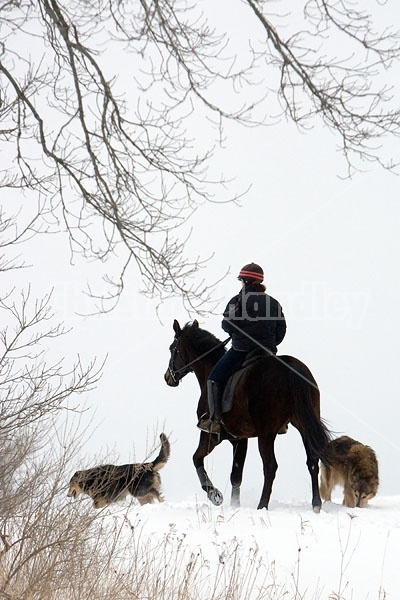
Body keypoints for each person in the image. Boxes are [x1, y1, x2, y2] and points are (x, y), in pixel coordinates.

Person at [197, 262, 286, 434]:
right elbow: (281, 330)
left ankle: (214, 420)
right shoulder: (274, 303)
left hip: (241, 350)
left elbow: (226, 324)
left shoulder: (237, 300)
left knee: (214, 378)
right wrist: (270, 344)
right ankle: (282, 422)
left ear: (245, 281)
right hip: (267, 352)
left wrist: (238, 335)